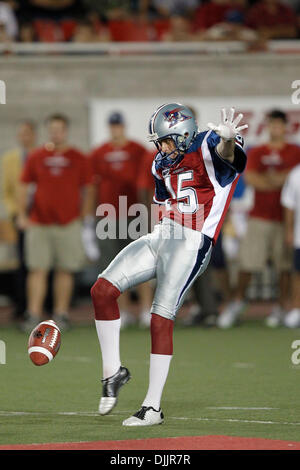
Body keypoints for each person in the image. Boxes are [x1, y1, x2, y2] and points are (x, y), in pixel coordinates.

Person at [90, 104, 248, 426]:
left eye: (165, 141)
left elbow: (228, 156)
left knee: (160, 315)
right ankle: (113, 373)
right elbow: (163, 204)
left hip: (193, 240)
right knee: (101, 290)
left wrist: (229, 140)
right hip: (162, 234)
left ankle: (152, 408)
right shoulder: (161, 162)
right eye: (158, 142)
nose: (160, 148)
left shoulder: (208, 144)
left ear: (184, 133)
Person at [217, 109, 300, 329]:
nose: (275, 129)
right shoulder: (258, 151)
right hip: (259, 217)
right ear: (267, 127)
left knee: (284, 267)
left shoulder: (295, 151)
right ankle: (236, 302)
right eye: (271, 125)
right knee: (247, 263)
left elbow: (294, 180)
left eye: (279, 125)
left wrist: (272, 179)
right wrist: (281, 179)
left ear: (285, 127)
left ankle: (282, 307)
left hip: (285, 218)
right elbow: (253, 179)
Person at [17, 113, 94, 332]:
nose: (56, 133)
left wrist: (84, 215)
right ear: (48, 131)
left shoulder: (78, 157)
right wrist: (22, 215)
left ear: (66, 131)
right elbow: (23, 186)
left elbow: (89, 188)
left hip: (68, 223)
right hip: (39, 222)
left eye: (60, 129)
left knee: (65, 269)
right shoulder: (37, 156)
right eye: (53, 129)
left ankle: (61, 314)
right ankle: (33, 314)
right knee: (37, 269)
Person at [91, 111, 153, 328]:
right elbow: (93, 185)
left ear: (124, 126)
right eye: (112, 126)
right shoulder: (99, 152)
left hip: (134, 213)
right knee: (115, 267)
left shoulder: (137, 150)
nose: (116, 129)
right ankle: (124, 311)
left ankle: (146, 309)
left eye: (119, 126)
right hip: (108, 215)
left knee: (141, 265)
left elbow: (146, 181)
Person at [2, 120, 37, 320]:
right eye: (22, 134)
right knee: (23, 261)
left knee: (41, 263)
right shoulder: (9, 160)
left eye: (28, 133)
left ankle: (44, 303)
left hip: (41, 216)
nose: (25, 137)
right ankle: (22, 304)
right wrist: (16, 213)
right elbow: (6, 191)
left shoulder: (41, 155)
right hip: (21, 217)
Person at [281, 164, 300, 328]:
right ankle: (296, 309)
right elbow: (289, 204)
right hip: (299, 235)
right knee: (297, 274)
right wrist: (289, 231)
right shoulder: (296, 174)